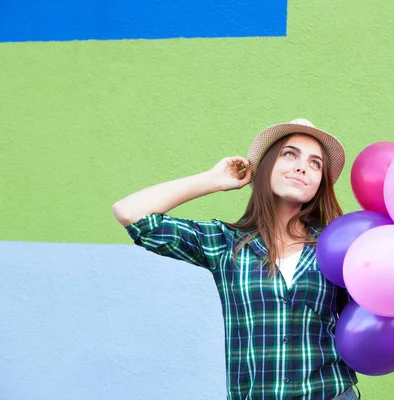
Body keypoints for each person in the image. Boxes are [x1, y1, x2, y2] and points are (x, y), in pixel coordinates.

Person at [112, 118, 361, 400]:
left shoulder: (337, 247)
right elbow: (130, 213)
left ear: (320, 183)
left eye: (316, 163)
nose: (302, 166)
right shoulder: (225, 243)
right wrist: (212, 180)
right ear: (266, 165)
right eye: (290, 154)